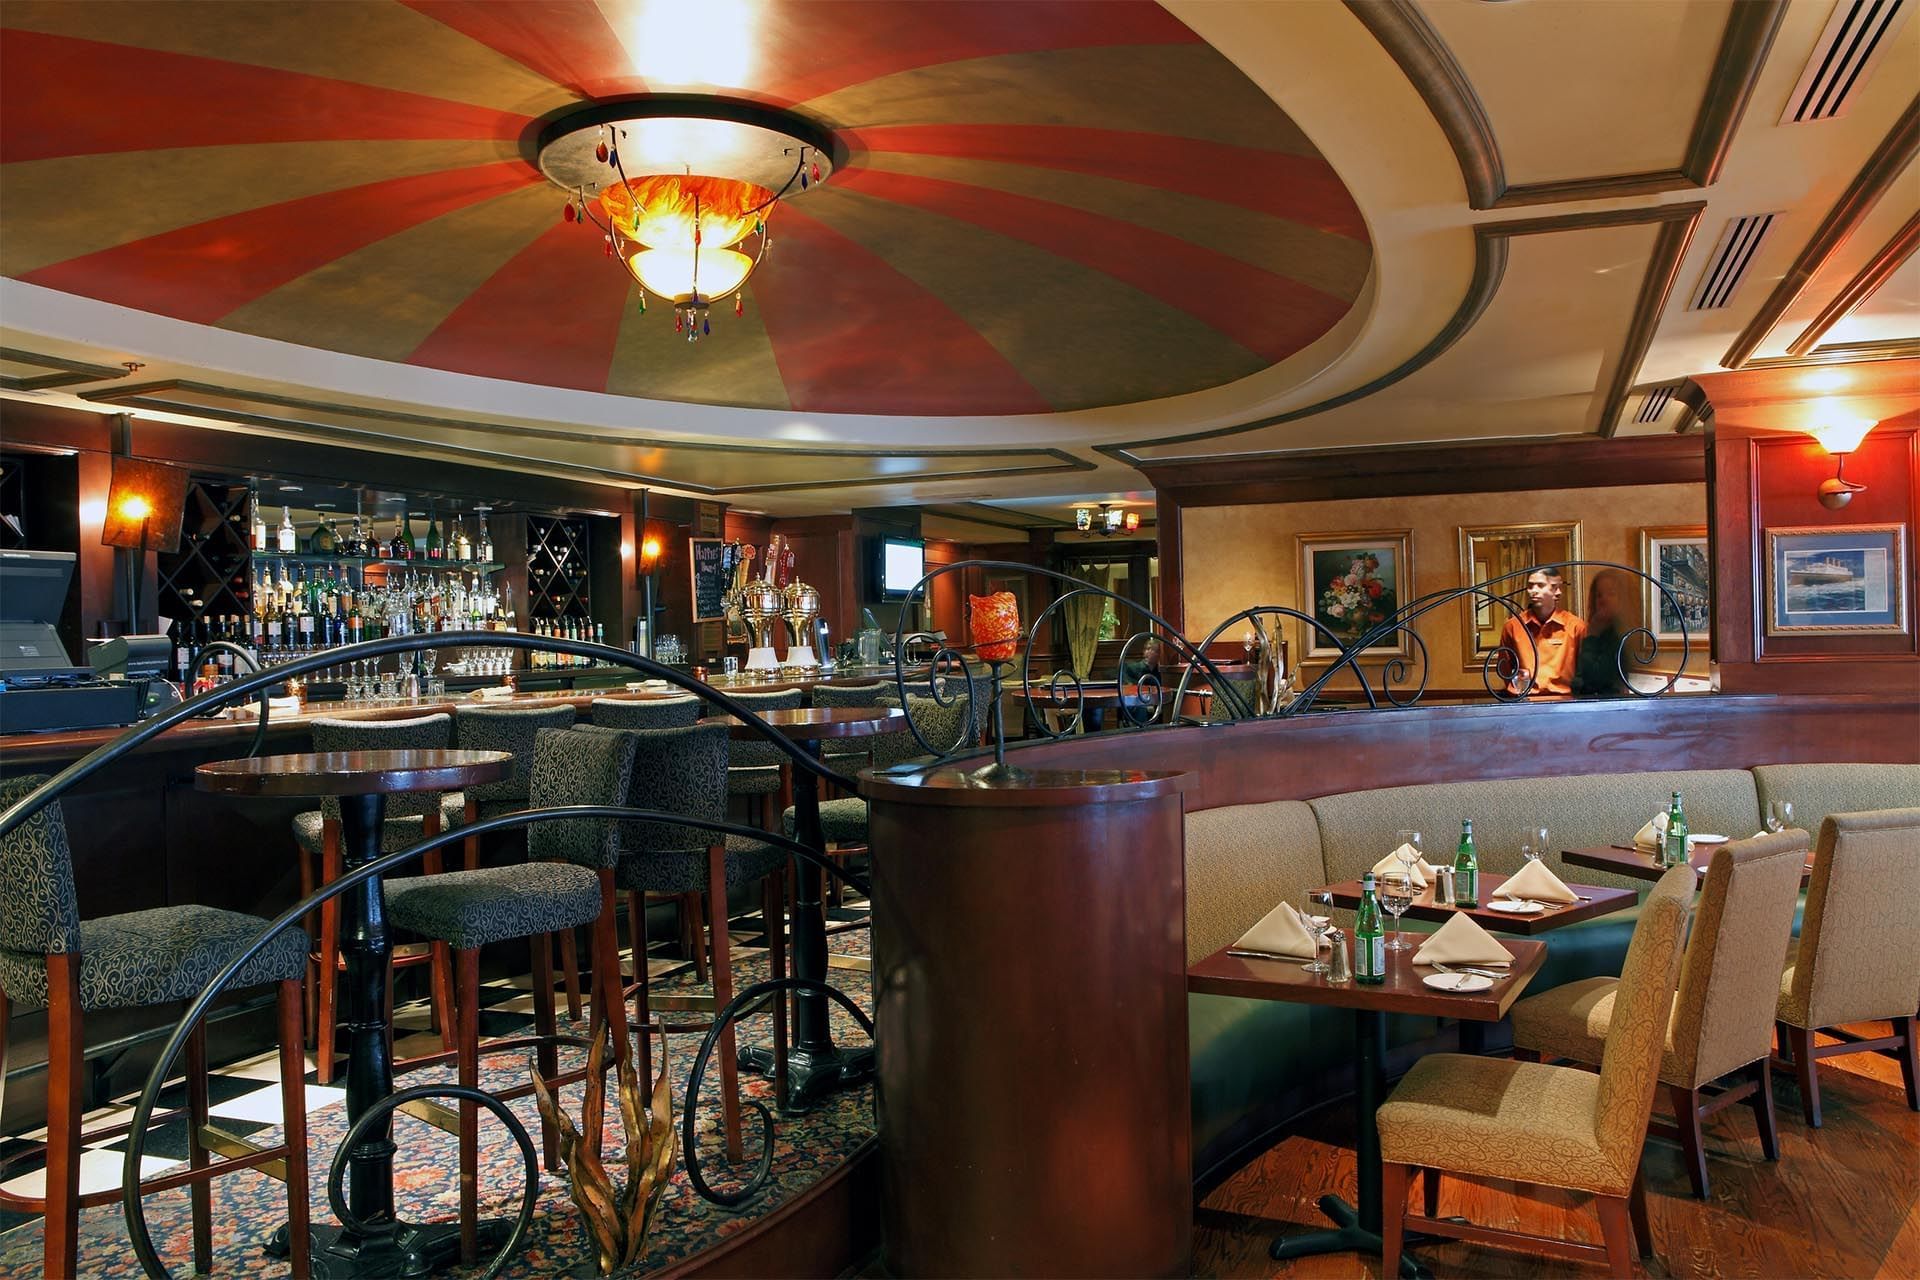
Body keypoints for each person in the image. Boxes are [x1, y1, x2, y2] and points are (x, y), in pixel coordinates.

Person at [1496, 568, 1586, 697]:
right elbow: (1504, 669)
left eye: (1540, 585)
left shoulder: (1576, 627)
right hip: (1525, 702)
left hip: (1566, 703)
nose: (1534, 591)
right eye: (1530, 586)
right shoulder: (1513, 626)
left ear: (1556, 590)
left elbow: (1585, 672)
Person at [1572, 569, 1634, 698]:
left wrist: (1592, 634)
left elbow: (1595, 679)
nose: (1603, 600)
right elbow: (1580, 677)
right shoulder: (1596, 628)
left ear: (1622, 598)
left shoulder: (1621, 633)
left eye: (1611, 593)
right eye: (1599, 595)